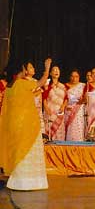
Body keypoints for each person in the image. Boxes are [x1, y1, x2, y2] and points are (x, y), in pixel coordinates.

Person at [0, 58, 52, 190]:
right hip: (27, 125)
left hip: (15, 125)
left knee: (19, 153)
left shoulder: (10, 86)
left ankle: (18, 182)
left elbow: (19, 102)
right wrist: (47, 68)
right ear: (21, 70)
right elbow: (41, 81)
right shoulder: (22, 84)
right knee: (28, 151)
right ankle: (31, 183)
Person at [43, 66, 68, 141]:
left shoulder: (63, 86)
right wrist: (46, 108)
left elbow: (66, 98)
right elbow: (43, 97)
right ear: (50, 73)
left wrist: (63, 106)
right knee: (49, 132)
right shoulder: (47, 85)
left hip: (59, 112)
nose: (56, 71)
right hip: (50, 111)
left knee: (59, 132)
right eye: (54, 70)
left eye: (58, 70)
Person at [64, 69, 86, 141]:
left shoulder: (83, 86)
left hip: (79, 111)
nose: (74, 78)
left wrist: (82, 101)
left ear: (79, 77)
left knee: (78, 128)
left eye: (76, 76)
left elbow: (86, 99)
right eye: (72, 76)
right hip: (68, 110)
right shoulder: (65, 86)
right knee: (69, 128)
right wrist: (66, 106)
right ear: (69, 77)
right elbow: (63, 99)